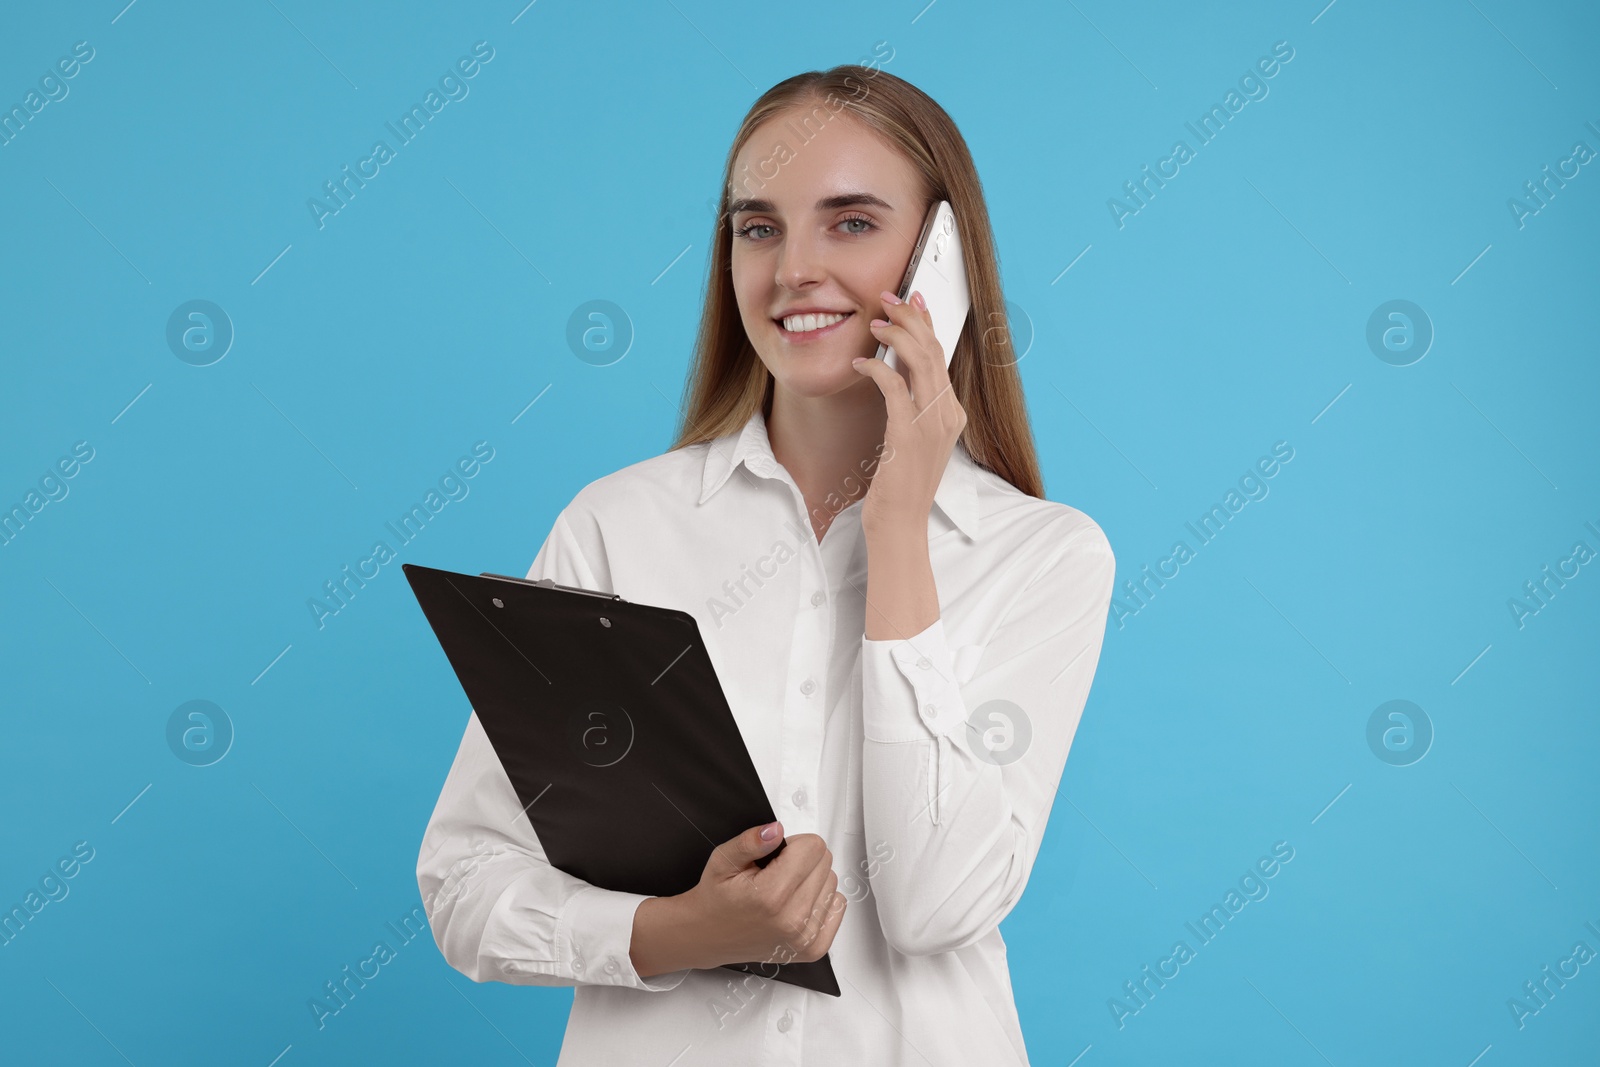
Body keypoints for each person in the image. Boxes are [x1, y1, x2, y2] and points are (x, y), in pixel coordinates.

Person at [416, 62, 1116, 1066]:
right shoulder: (617, 525)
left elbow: (934, 903)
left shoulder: (1042, 557)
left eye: (850, 222)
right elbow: (464, 880)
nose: (792, 269)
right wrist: (668, 935)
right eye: (758, 227)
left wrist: (899, 531)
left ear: (943, 259)